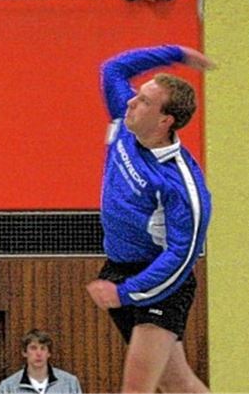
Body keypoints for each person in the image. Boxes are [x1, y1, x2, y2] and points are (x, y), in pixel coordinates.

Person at [86, 45, 214, 393]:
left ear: (164, 121)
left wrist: (127, 293)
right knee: (178, 384)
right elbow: (113, 69)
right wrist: (174, 53)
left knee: (136, 389)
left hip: (160, 282)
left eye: (143, 101)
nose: (130, 102)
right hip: (119, 268)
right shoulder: (126, 124)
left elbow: (182, 257)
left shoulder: (181, 185)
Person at [0, 329, 82, 393]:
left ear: (49, 353)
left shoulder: (69, 383)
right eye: (33, 348)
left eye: (43, 348)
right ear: (24, 352)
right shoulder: (8, 387)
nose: (39, 353)